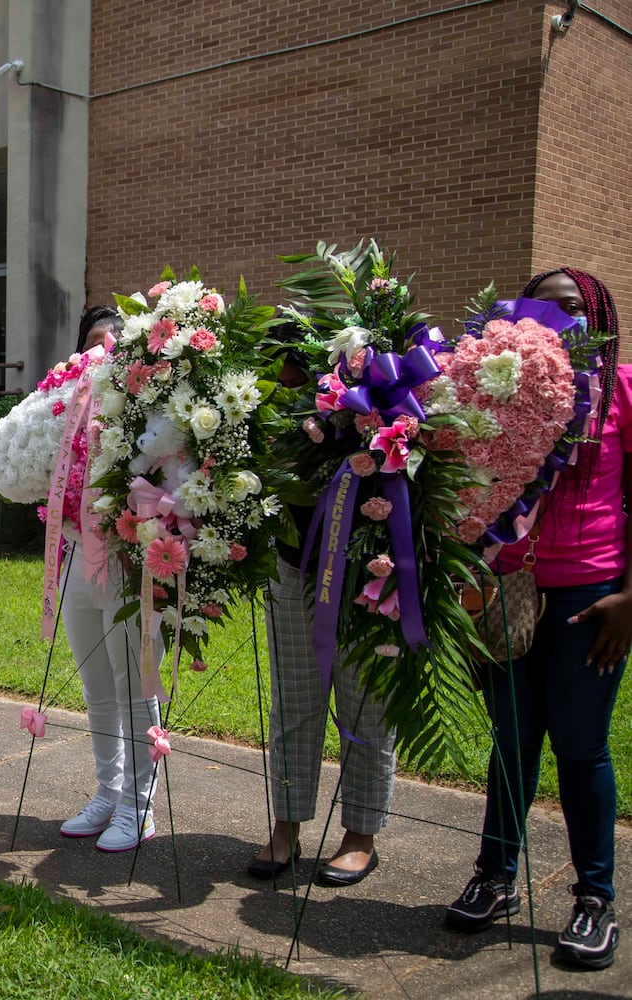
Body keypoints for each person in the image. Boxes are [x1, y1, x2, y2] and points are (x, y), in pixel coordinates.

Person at [445, 267, 631, 971]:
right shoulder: (490, 387)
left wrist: (631, 599)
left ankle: (594, 900)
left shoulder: (620, 388)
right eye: (542, 305)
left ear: (599, 318)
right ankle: (495, 877)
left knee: (581, 749)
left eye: (573, 307)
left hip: (593, 598)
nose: (557, 317)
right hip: (506, 593)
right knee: (513, 743)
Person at [247, 318, 396, 884]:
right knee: (296, 701)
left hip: (367, 571)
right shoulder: (265, 412)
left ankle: (361, 833)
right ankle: (286, 826)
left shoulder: (363, 398)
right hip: (292, 567)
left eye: (285, 362)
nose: (276, 375)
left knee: (365, 704)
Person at [49, 310, 164, 853]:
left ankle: (138, 806)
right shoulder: (65, 409)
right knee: (97, 689)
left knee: (134, 687)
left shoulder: (148, 405)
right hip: (77, 554)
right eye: (94, 342)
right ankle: (107, 791)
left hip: (129, 559)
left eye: (115, 341)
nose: (104, 349)